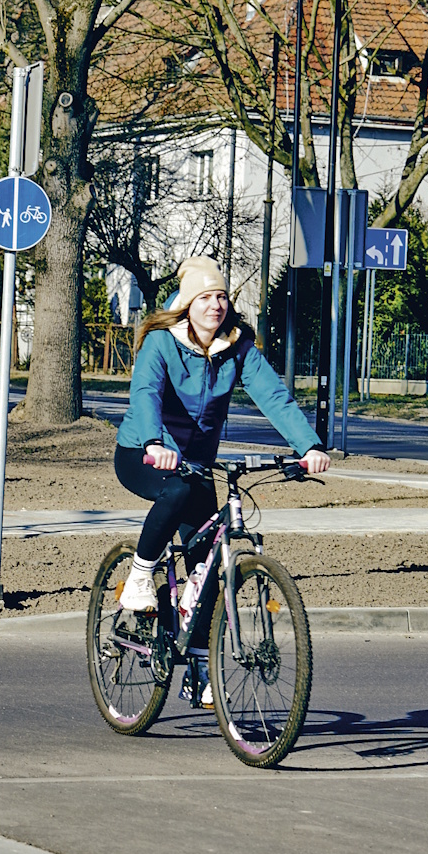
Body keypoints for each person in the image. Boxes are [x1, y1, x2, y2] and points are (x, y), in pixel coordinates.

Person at [112, 254, 330, 615]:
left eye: (221, 297)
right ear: (187, 304)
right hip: (143, 452)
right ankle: (139, 575)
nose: (215, 305)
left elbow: (273, 396)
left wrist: (308, 446)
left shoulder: (237, 347)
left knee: (205, 574)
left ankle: (199, 659)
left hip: (196, 462)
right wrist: (153, 441)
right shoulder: (161, 342)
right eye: (205, 298)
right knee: (176, 490)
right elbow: (146, 391)